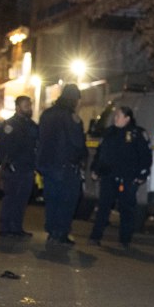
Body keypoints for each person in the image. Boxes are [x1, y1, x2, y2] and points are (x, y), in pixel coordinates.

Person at [88, 106, 152, 248]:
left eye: (118, 116)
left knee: (126, 209)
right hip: (109, 176)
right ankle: (95, 236)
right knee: (103, 207)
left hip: (128, 178)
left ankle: (125, 240)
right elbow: (101, 153)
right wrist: (95, 169)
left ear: (127, 118)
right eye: (115, 116)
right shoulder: (109, 133)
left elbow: (145, 156)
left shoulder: (137, 134)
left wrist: (142, 174)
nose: (115, 118)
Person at [37, 84, 87, 245]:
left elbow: (41, 140)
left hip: (48, 165)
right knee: (67, 201)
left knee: (52, 200)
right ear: (75, 99)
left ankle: (52, 231)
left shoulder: (46, 114)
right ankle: (61, 232)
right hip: (66, 166)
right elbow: (77, 143)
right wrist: (82, 158)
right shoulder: (71, 117)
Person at [0, 95, 38, 239]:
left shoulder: (32, 126)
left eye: (30, 105)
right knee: (11, 198)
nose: (29, 108)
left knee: (22, 200)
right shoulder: (10, 124)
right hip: (14, 168)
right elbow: (3, 147)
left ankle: (17, 228)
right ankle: (5, 228)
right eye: (26, 105)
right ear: (18, 107)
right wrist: (5, 165)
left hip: (27, 168)